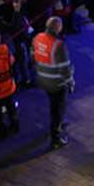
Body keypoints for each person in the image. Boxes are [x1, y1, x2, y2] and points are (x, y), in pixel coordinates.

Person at [32, 16, 74, 150]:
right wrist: (70, 82)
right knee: (58, 108)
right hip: (56, 83)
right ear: (58, 28)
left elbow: (33, 55)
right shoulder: (58, 44)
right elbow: (65, 69)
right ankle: (56, 137)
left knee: (54, 105)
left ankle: (58, 122)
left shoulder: (37, 38)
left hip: (43, 79)